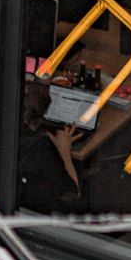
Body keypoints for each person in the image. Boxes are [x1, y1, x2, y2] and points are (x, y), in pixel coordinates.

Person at [16, 79, 82, 212]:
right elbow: (73, 194)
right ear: (42, 116)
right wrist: (64, 150)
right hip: (33, 217)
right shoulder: (38, 148)